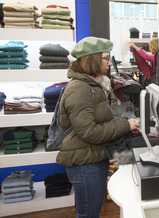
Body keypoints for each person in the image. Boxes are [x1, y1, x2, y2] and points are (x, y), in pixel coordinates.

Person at [56, 36, 140, 217]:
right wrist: (125, 125)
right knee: (88, 214)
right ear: (91, 59)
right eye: (105, 58)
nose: (109, 63)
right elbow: (89, 132)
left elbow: (98, 122)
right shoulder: (80, 89)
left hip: (92, 157)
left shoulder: (93, 85)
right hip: (85, 162)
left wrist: (123, 124)